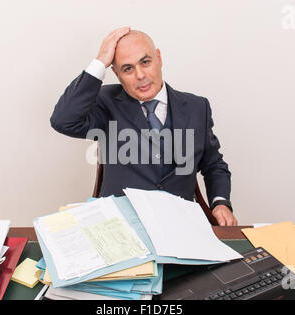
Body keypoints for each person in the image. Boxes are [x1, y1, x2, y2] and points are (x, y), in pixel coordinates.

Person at [50, 27, 238, 226]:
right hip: (121, 226)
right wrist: (100, 62)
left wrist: (220, 203)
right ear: (116, 73)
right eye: (128, 68)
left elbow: (214, 165)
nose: (140, 75)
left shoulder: (197, 107)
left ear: (158, 58)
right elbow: (63, 120)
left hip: (180, 224)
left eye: (145, 62)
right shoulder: (106, 102)